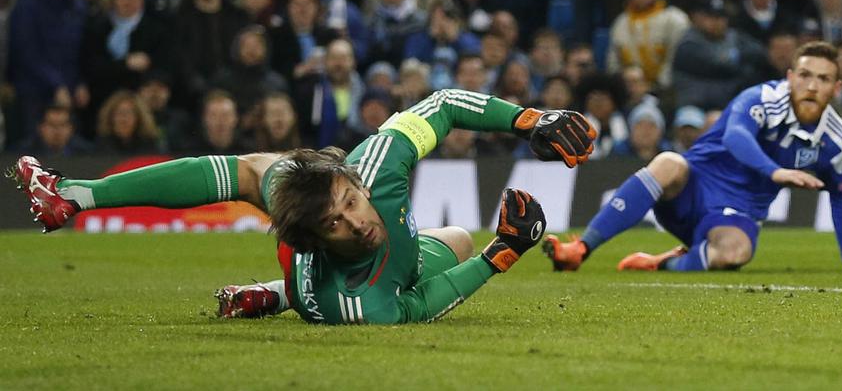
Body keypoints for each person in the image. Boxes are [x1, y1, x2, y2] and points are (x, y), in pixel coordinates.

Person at [13, 90, 597, 325]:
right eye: (335, 223)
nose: (356, 220)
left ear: (354, 180)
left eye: (349, 201)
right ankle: (281, 291)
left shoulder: (374, 170)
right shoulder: (359, 303)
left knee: (256, 171)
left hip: (316, 220)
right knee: (469, 249)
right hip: (320, 283)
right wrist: (503, 253)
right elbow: (421, 305)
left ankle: (74, 195)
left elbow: (443, 104)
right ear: (316, 239)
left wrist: (530, 120)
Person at [543, 41, 842, 273]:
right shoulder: (762, 98)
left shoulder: (836, 140)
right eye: (805, 75)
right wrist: (775, 172)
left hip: (734, 214)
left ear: (837, 88)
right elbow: (737, 137)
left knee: (737, 254)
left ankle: (663, 263)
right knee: (668, 162)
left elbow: (841, 192)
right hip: (689, 189)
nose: (811, 86)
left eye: (823, 79)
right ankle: (580, 250)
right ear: (790, 77)